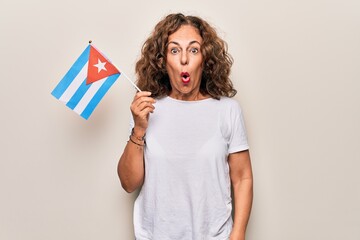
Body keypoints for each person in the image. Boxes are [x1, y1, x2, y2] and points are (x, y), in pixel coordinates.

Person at [118, 13, 253, 240]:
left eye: (193, 50)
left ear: (205, 58)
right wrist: (139, 129)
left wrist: (238, 233)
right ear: (162, 61)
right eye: (174, 50)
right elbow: (129, 183)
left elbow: (242, 178)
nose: (183, 59)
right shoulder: (146, 109)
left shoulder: (228, 110)